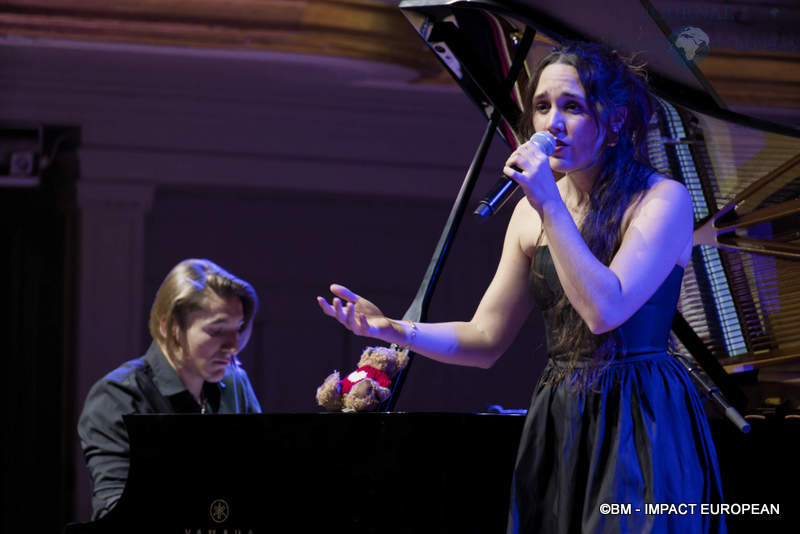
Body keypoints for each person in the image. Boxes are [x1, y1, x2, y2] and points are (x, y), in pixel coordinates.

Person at [317, 42, 725, 533]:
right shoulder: (530, 212)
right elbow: (485, 339)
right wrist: (394, 329)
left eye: (572, 106)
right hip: (561, 413)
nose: (552, 123)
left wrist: (551, 205)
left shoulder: (661, 201)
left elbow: (604, 309)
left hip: (641, 415)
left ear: (615, 121)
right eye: (542, 106)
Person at [78, 258, 262, 519]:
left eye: (238, 329)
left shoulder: (235, 382)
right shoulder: (117, 396)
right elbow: (114, 511)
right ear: (170, 327)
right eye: (217, 330)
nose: (233, 346)